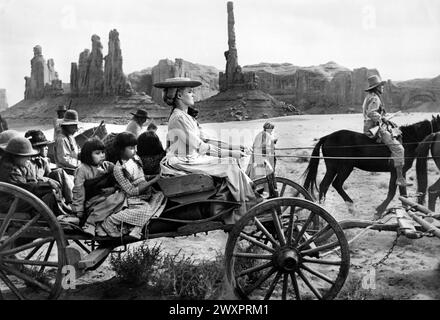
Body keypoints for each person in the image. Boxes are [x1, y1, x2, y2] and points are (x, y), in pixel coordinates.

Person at [154, 77, 257, 221]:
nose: (193, 95)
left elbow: (207, 140)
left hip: (191, 158)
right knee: (229, 164)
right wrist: (231, 153)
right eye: (189, 92)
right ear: (179, 96)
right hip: (183, 161)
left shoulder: (187, 117)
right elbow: (201, 147)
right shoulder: (178, 118)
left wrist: (234, 147)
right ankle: (245, 207)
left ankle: (248, 196)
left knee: (231, 161)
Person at [102, 132, 166, 239]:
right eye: (131, 148)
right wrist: (153, 180)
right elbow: (131, 191)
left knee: (161, 195)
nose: (135, 150)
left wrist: (152, 178)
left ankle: (134, 226)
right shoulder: (118, 169)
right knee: (146, 211)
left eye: (135, 147)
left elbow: (142, 177)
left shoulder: (135, 160)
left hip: (145, 193)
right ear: (121, 150)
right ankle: (111, 221)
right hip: (133, 198)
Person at [69, 138, 125, 236]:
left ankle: (101, 226)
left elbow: (120, 176)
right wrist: (79, 211)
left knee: (122, 197)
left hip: (107, 198)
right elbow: (79, 191)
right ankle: (90, 222)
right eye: (97, 153)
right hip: (92, 202)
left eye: (103, 152)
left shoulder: (107, 166)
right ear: (88, 155)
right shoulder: (82, 169)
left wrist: (114, 187)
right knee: (114, 200)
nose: (102, 155)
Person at [362, 75, 410, 187]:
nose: (382, 88)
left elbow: (373, 113)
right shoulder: (375, 98)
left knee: (396, 131)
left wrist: (384, 116)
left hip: (374, 126)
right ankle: (400, 178)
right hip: (374, 130)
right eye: (381, 86)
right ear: (376, 87)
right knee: (399, 149)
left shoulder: (371, 96)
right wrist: (382, 118)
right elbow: (371, 113)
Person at [0, 137, 64, 216]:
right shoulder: (9, 170)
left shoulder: (18, 165)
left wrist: (46, 181)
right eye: (26, 156)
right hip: (8, 203)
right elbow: (23, 188)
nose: (29, 158)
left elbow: (30, 180)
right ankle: (49, 217)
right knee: (47, 193)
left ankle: (58, 212)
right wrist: (46, 185)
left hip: (15, 198)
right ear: (16, 156)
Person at [25, 129, 74, 204]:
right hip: (35, 191)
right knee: (59, 175)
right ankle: (71, 202)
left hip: (44, 187)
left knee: (59, 172)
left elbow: (50, 175)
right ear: (35, 148)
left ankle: (71, 200)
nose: (47, 148)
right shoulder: (28, 163)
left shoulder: (43, 160)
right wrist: (47, 180)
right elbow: (32, 181)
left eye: (46, 145)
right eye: (43, 146)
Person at [54, 109, 80, 174]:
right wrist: (79, 163)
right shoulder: (61, 139)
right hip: (66, 172)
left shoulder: (71, 137)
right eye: (74, 126)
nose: (76, 129)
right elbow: (64, 159)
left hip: (75, 169)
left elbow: (76, 152)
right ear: (67, 126)